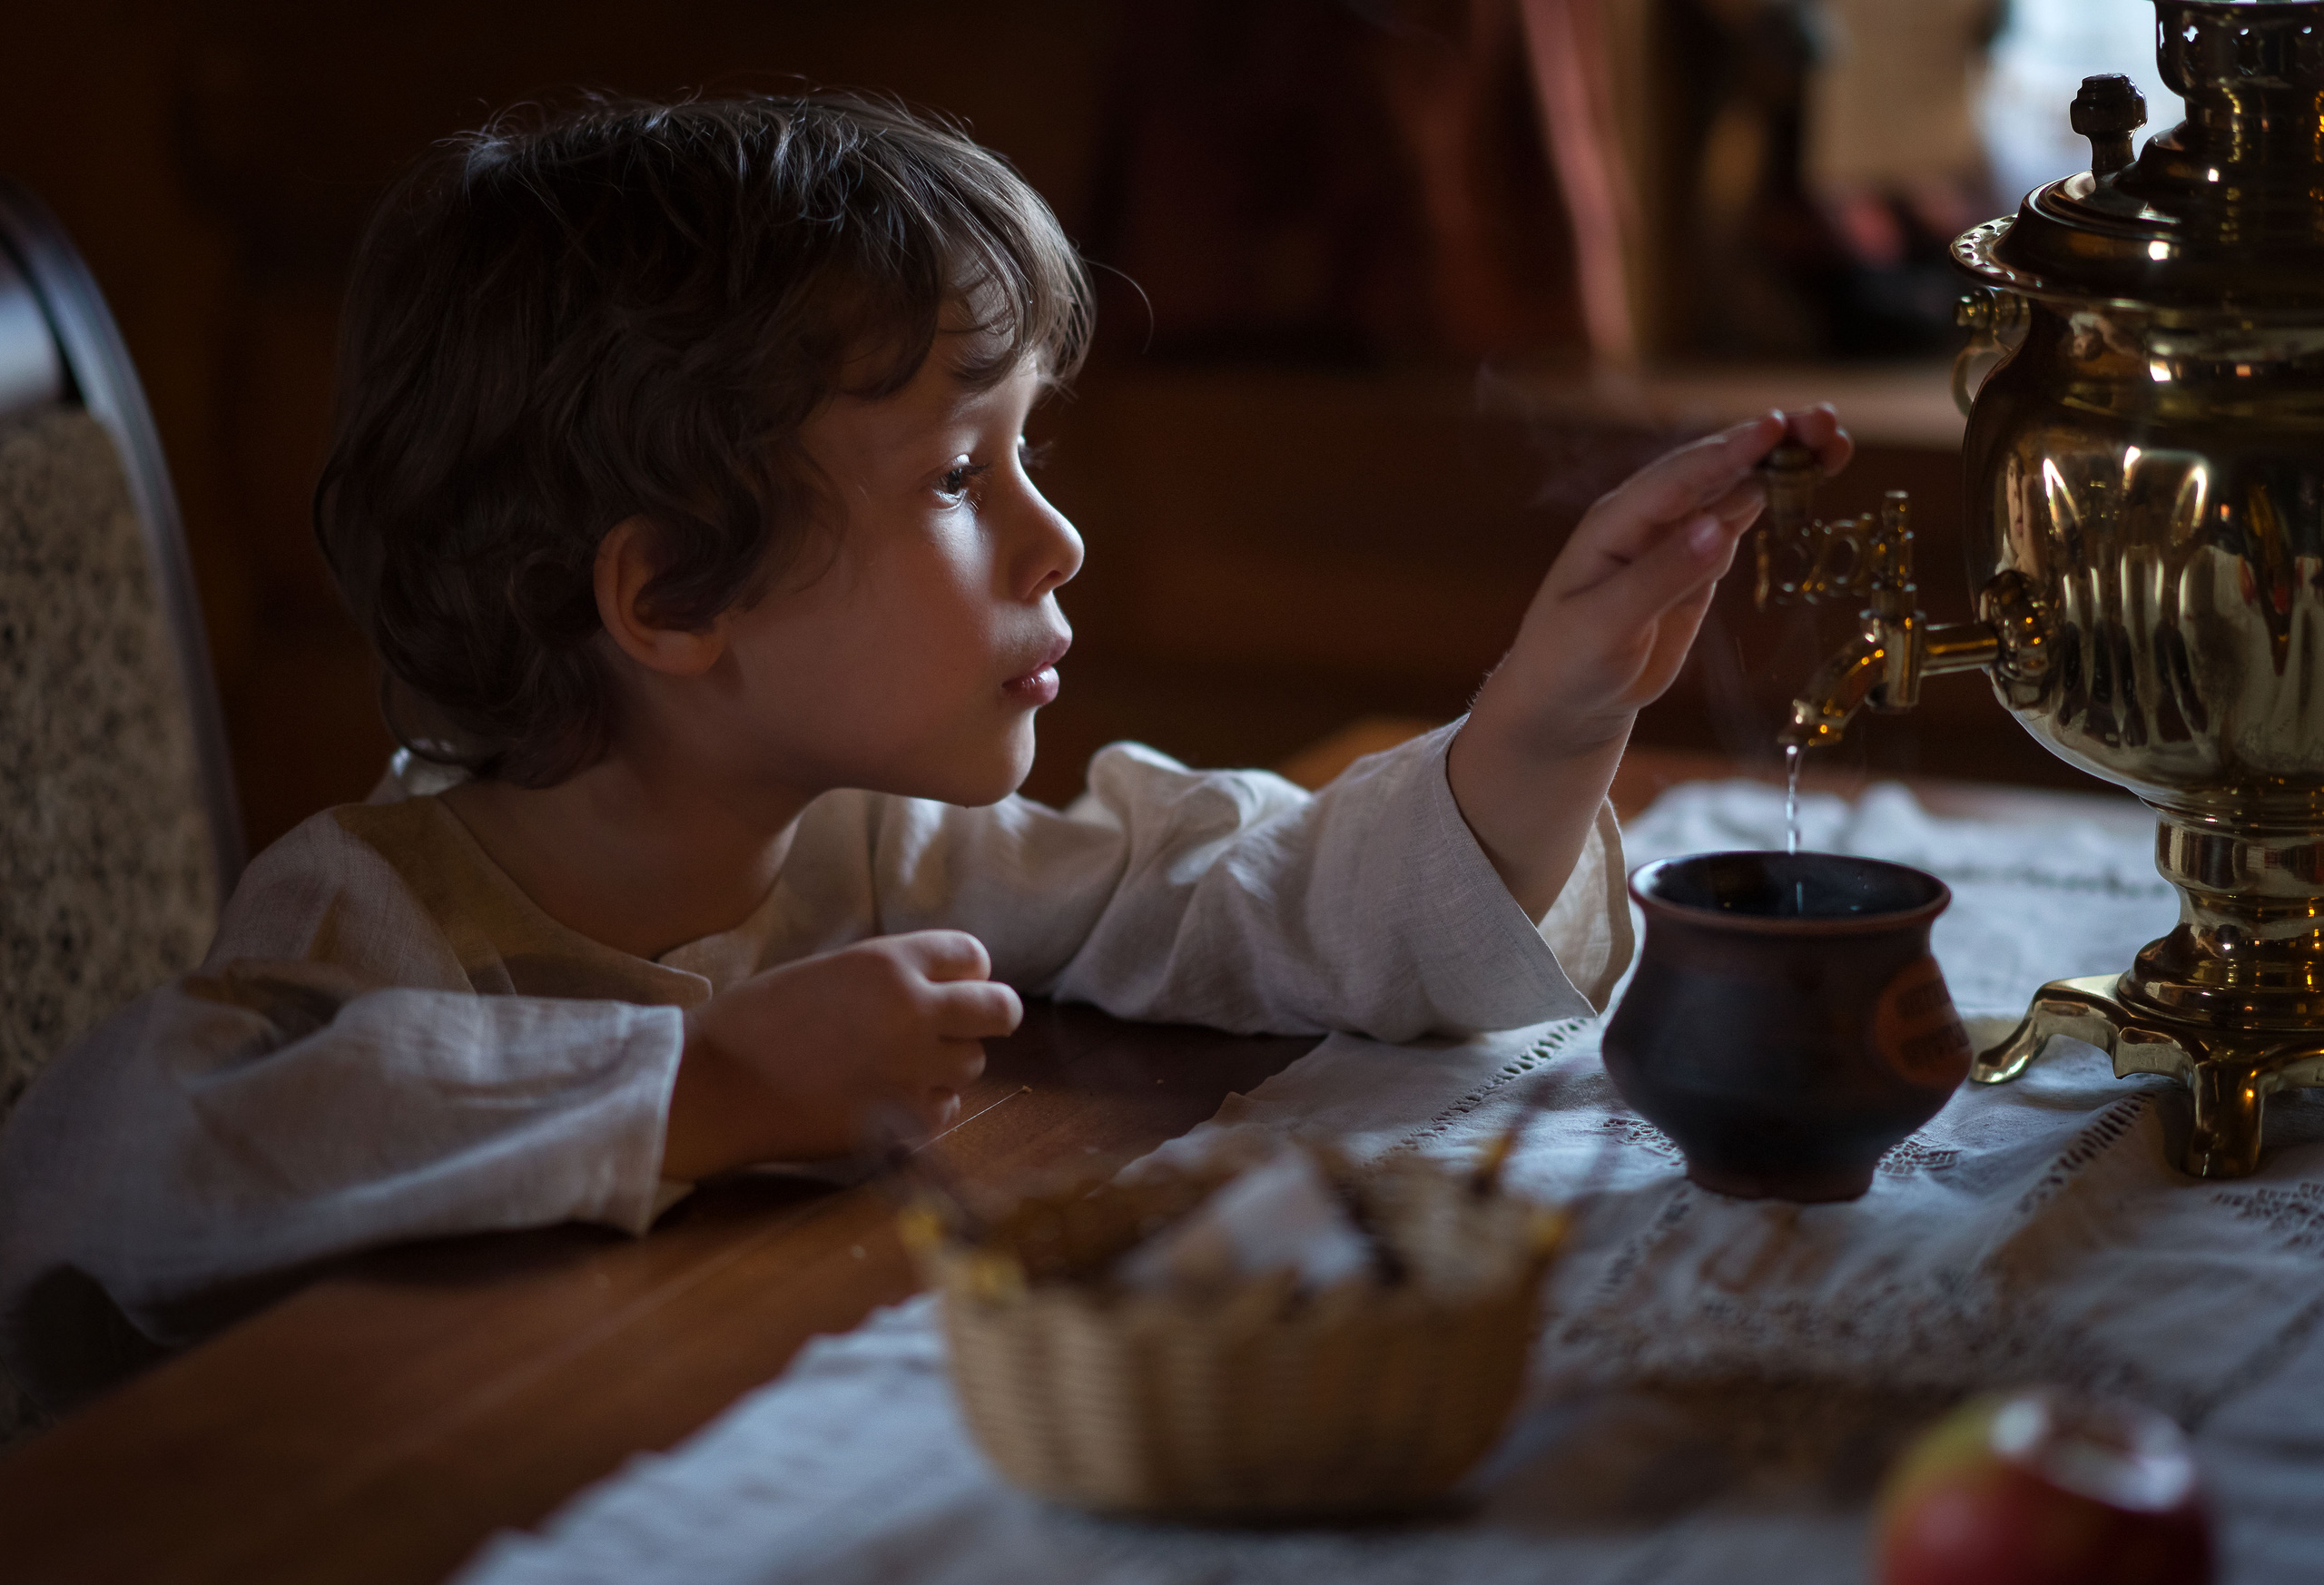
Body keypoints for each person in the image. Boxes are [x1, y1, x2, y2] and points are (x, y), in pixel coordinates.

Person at [0, 94, 1848, 1414]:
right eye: (962, 479)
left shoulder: (855, 849)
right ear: (667, 602)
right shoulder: (377, 911)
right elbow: (113, 1165)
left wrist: (1548, 706)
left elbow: (1229, 891)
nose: (1054, 542)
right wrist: (703, 1086)